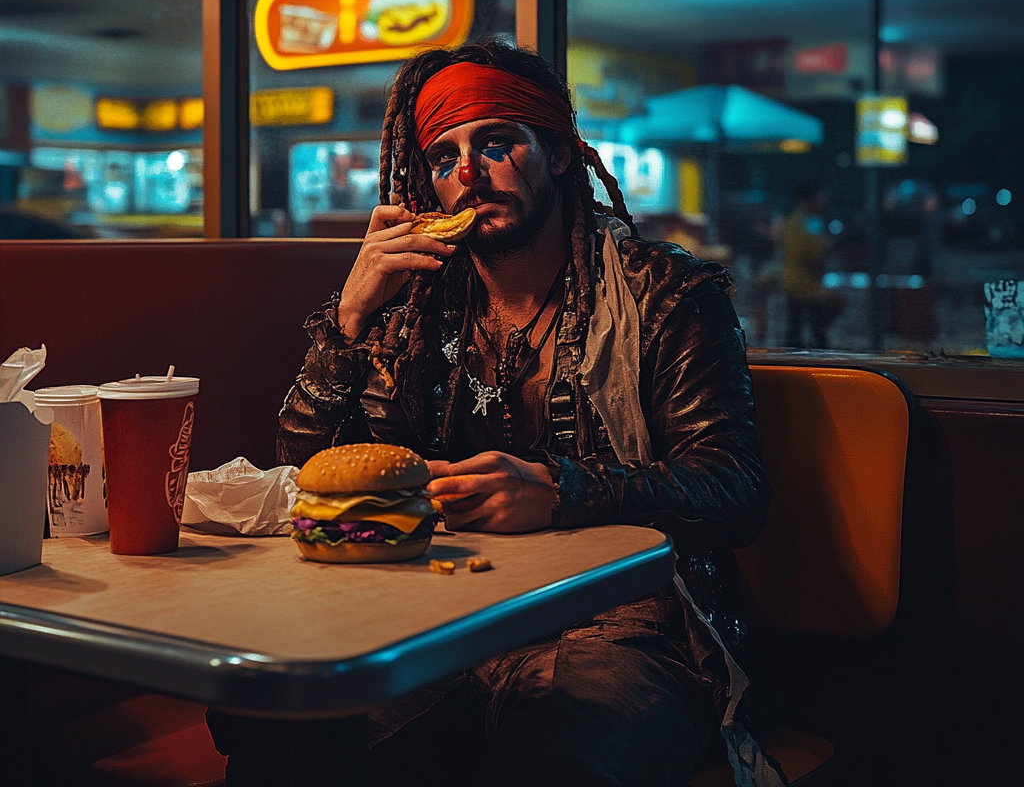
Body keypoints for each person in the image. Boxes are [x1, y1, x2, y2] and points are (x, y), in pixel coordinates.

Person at [256, 41, 774, 786]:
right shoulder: (417, 308)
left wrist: (562, 489)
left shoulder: (670, 297)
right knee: (289, 737)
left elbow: (734, 488)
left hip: (627, 628)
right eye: (444, 158)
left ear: (558, 153)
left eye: (496, 143)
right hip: (447, 613)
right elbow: (304, 472)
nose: (467, 174)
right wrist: (347, 321)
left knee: (549, 759)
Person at [782, 179, 841, 349]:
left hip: (796, 282)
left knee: (796, 327)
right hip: (805, 285)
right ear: (812, 199)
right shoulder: (806, 221)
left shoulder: (797, 218)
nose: (824, 201)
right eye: (822, 197)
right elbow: (812, 253)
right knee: (816, 330)